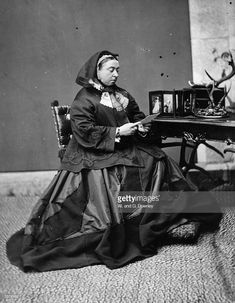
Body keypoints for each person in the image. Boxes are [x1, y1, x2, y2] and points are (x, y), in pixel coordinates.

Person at [7, 50, 221, 272]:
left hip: (122, 146)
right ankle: (136, 221)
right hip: (93, 151)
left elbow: (136, 115)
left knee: (158, 159)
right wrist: (118, 131)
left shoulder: (121, 94)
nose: (116, 74)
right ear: (97, 71)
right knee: (116, 175)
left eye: (118, 69)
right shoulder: (83, 98)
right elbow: (84, 131)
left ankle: (164, 217)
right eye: (111, 69)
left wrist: (142, 125)